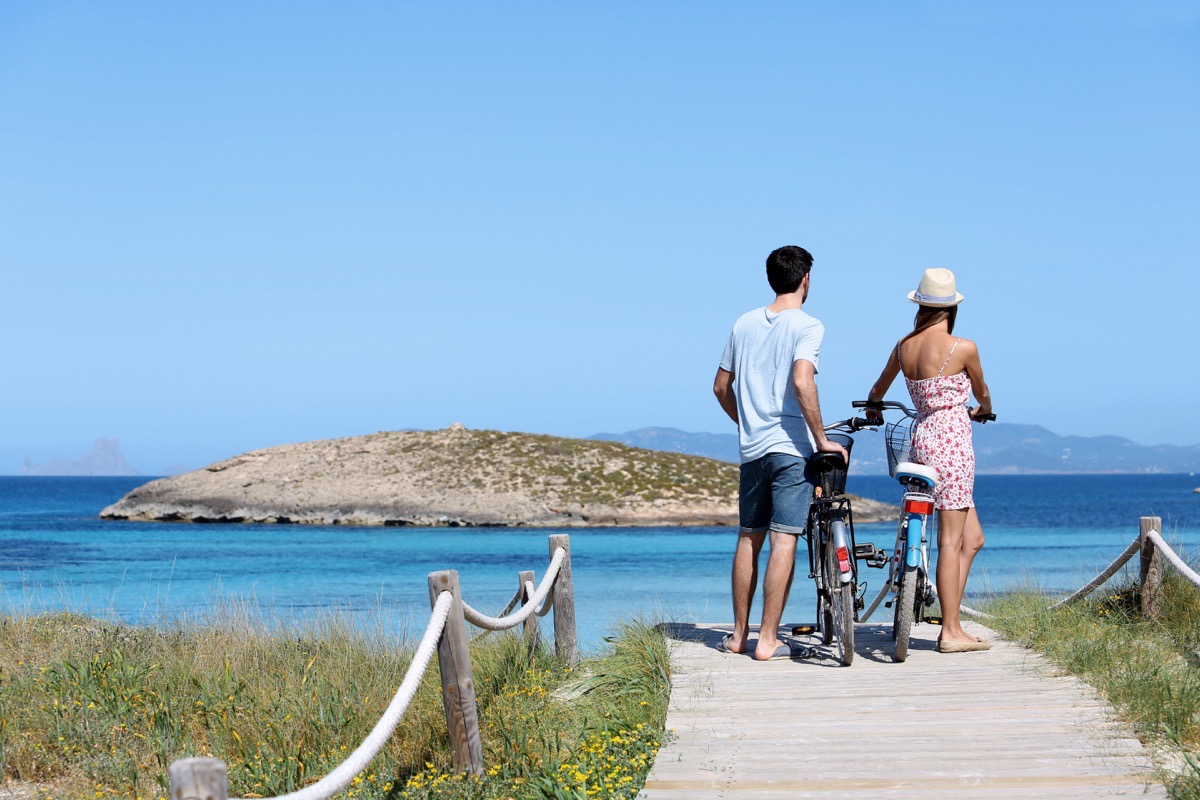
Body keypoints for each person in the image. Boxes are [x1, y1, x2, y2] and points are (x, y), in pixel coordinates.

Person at [713, 245, 849, 661]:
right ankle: (767, 640)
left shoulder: (743, 323)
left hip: (752, 450)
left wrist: (747, 422)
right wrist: (822, 438)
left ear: (770, 278)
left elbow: (720, 387)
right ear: (806, 279)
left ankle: (738, 635)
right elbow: (803, 381)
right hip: (790, 448)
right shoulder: (808, 325)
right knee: (783, 539)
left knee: (748, 538)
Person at [864, 267, 993, 653]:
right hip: (953, 442)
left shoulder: (904, 346)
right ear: (952, 307)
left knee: (973, 539)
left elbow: (877, 390)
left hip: (922, 440)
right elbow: (983, 392)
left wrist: (873, 409)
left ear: (920, 304)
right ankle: (950, 631)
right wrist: (982, 409)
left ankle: (951, 617)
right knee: (950, 542)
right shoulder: (963, 347)